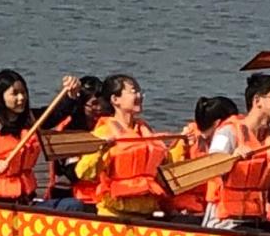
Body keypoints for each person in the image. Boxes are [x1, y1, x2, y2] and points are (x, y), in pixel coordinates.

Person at [72, 74, 186, 221]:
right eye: (133, 91)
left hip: (147, 213)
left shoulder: (145, 130)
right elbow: (83, 173)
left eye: (140, 92)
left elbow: (166, 167)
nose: (139, 96)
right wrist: (101, 150)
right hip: (115, 214)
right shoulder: (104, 132)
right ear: (115, 100)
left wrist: (182, 143)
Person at [0, 70, 80, 203]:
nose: (21, 97)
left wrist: (71, 95)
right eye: (15, 94)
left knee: (73, 205)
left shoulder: (32, 119)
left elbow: (57, 113)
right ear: (0, 97)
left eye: (23, 92)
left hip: (26, 199)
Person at [204, 72, 270, 231]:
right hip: (225, 224)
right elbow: (209, 166)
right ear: (257, 100)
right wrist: (233, 157)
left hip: (256, 220)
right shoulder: (227, 132)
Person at [163, 95, 236, 219]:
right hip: (185, 211)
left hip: (210, 208)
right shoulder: (187, 141)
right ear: (219, 124)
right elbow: (169, 177)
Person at [44, 75, 107, 211]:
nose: (99, 108)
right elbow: (72, 174)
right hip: (76, 197)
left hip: (105, 195)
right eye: (94, 104)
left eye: (102, 103)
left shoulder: (107, 127)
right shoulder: (69, 131)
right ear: (81, 105)